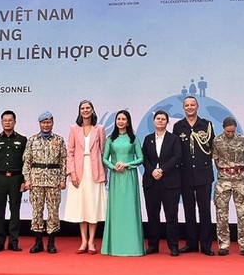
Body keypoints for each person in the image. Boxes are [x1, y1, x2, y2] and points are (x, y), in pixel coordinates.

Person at [172, 96, 215, 256]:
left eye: (192, 105)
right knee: (189, 210)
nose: (190, 107)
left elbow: (212, 148)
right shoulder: (178, 126)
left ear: (197, 106)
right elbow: (175, 150)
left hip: (204, 174)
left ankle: (206, 245)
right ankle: (191, 243)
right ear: (183, 108)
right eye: (187, 105)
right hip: (185, 174)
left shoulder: (207, 125)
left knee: (205, 211)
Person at [65, 100, 107, 254]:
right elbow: (69, 152)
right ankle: (83, 240)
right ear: (79, 111)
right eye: (82, 108)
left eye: (88, 108)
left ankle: (92, 241)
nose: (85, 110)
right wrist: (72, 173)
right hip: (79, 171)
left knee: (93, 206)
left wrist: (104, 174)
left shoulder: (100, 128)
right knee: (82, 206)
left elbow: (104, 152)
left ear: (93, 110)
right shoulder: (74, 128)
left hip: (95, 170)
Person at [101, 110, 144, 256]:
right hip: (116, 177)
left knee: (130, 209)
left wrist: (127, 164)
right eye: (118, 119)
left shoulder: (134, 139)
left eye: (123, 119)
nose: (120, 121)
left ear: (128, 121)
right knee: (116, 210)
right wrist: (113, 166)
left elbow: (141, 158)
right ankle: (114, 246)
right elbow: (104, 158)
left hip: (129, 176)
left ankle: (133, 246)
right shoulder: (110, 139)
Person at [22, 111, 67, 254]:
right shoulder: (32, 140)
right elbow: (27, 161)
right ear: (39, 124)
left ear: (52, 123)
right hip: (36, 180)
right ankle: (38, 242)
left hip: (53, 181)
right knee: (37, 212)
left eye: (48, 122)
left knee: (53, 212)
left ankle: (51, 242)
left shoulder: (59, 140)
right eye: (43, 122)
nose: (46, 125)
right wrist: (27, 179)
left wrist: (62, 180)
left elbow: (63, 161)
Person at [141, 110, 182, 257]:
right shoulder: (147, 139)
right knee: (153, 215)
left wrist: (162, 170)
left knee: (171, 215)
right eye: (158, 118)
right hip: (151, 182)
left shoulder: (174, 139)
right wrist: (152, 171)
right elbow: (144, 157)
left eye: (163, 119)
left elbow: (177, 157)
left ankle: (173, 246)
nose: (160, 121)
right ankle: (153, 245)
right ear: (153, 121)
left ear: (167, 122)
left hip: (170, 182)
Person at [212, 117, 244, 257]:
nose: (230, 133)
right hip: (223, 178)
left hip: (240, 179)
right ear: (223, 128)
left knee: (243, 213)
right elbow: (216, 159)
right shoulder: (217, 141)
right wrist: (225, 171)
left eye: (232, 131)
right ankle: (223, 245)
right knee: (222, 213)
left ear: (235, 128)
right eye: (227, 131)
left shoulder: (242, 140)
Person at [0, 110, 27, 252]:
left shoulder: (22, 140)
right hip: (0, 178)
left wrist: (24, 180)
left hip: (16, 178)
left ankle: (14, 242)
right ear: (1, 122)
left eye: (10, 120)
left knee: (15, 211)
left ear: (15, 122)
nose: (7, 122)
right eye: (5, 120)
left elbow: (26, 162)